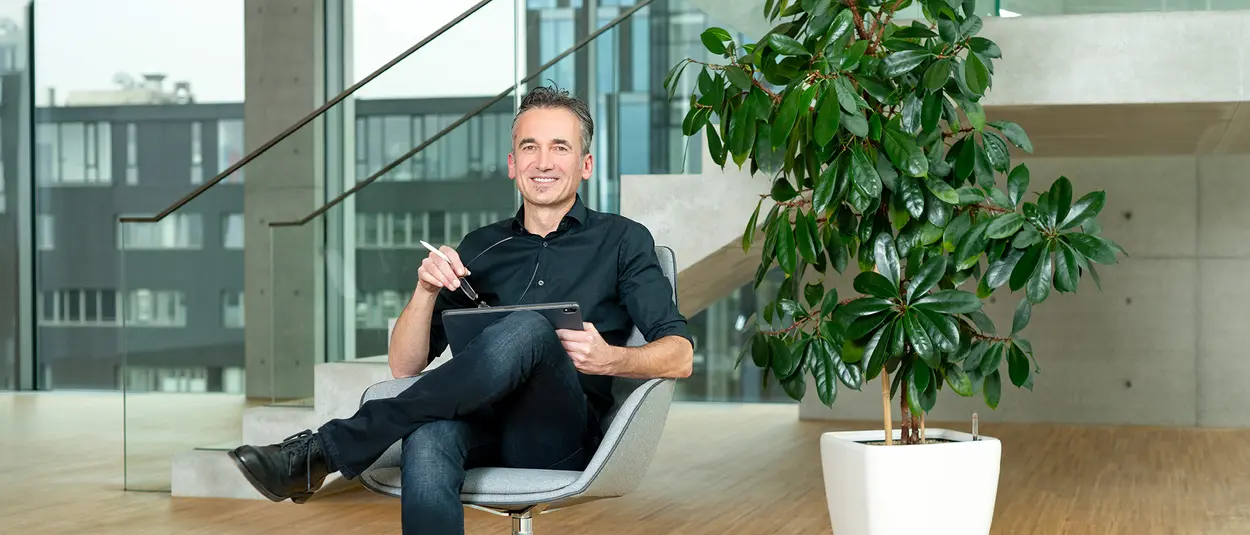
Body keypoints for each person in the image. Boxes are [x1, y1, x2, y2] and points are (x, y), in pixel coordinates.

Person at [227, 85, 694, 534]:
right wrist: (425, 289)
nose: (543, 162)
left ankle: (326, 450)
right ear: (512, 164)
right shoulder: (480, 247)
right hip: (480, 426)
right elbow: (404, 365)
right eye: (529, 147)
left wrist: (610, 358)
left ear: (585, 164)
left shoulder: (622, 240)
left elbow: (681, 354)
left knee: (531, 327)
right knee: (427, 436)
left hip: (558, 439)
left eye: (560, 148)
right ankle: (325, 453)